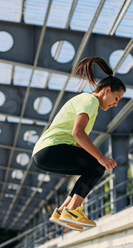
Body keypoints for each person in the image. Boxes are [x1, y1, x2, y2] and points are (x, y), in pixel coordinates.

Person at [32, 57, 126, 231]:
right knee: (97, 165)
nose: (116, 103)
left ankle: (62, 211)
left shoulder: (89, 104)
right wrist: (101, 158)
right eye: (116, 97)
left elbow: (76, 142)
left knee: (91, 167)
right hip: (51, 148)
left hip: (44, 153)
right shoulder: (90, 101)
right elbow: (78, 133)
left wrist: (96, 160)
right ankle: (73, 210)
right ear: (106, 91)